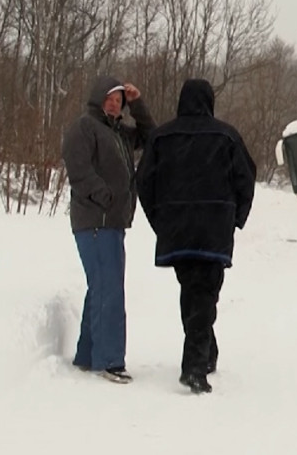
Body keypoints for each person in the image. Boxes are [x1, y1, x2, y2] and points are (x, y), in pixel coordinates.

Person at [135, 78, 256, 394]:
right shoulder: (226, 136)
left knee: (194, 292)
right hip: (213, 229)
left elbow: (144, 182)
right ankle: (194, 368)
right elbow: (246, 178)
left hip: (178, 231)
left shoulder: (162, 137)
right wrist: (235, 218)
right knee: (203, 293)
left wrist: (160, 219)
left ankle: (207, 354)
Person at [61, 75, 155, 384]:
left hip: (112, 222)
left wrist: (137, 102)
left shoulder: (119, 134)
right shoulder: (85, 128)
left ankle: (88, 355)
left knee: (102, 286)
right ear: (98, 98)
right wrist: (106, 197)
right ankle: (110, 360)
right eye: (110, 98)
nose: (114, 103)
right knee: (109, 289)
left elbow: (150, 136)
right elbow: (79, 171)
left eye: (119, 100)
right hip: (95, 221)